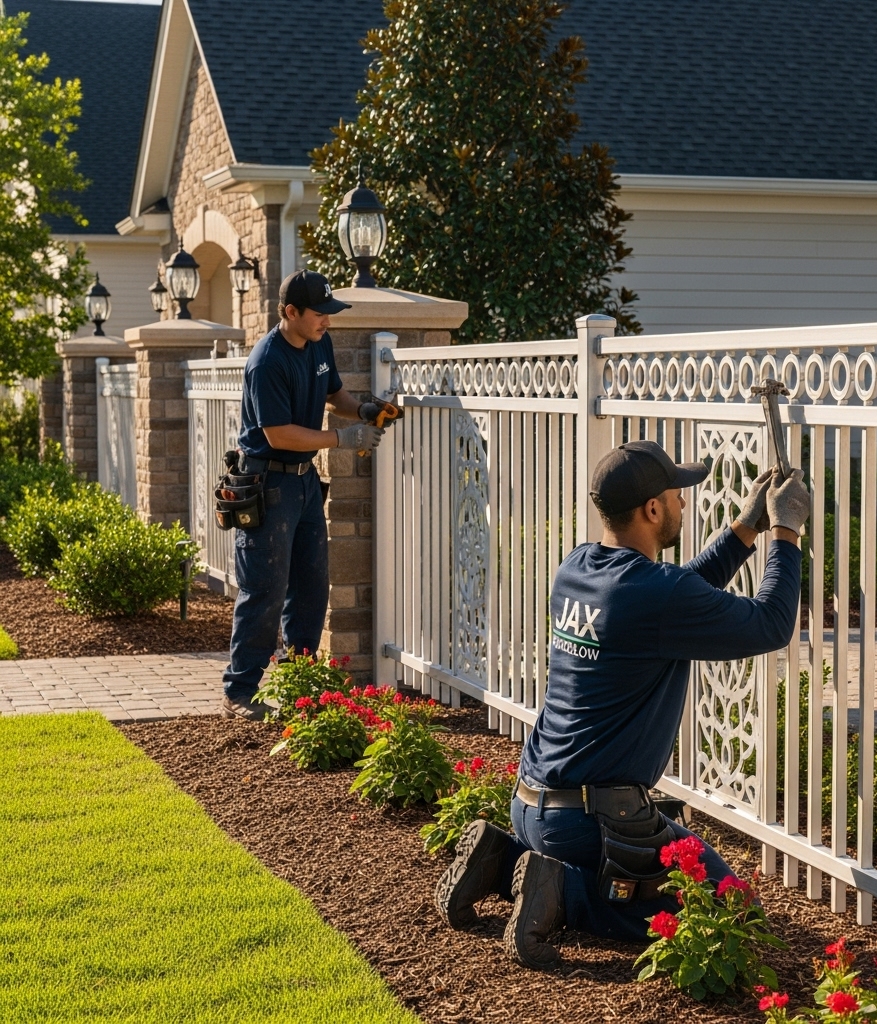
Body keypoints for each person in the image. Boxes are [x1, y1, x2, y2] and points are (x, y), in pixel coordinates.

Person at [435, 439, 809, 968]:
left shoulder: (578, 568)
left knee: (677, 892)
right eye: (677, 494)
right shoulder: (656, 595)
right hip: (591, 823)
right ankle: (565, 896)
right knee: (729, 912)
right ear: (652, 509)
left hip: (530, 803)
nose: (683, 503)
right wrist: (786, 530)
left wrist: (744, 531)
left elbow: (674, 597)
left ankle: (500, 864)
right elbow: (770, 623)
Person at [221, 269, 390, 719]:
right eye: (319, 314)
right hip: (267, 482)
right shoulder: (267, 361)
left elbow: (333, 394)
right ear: (290, 312)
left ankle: (299, 683)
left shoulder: (318, 344)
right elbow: (277, 434)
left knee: (312, 587)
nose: (327, 322)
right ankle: (240, 691)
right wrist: (344, 440)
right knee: (265, 588)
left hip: (304, 482)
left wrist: (365, 409)